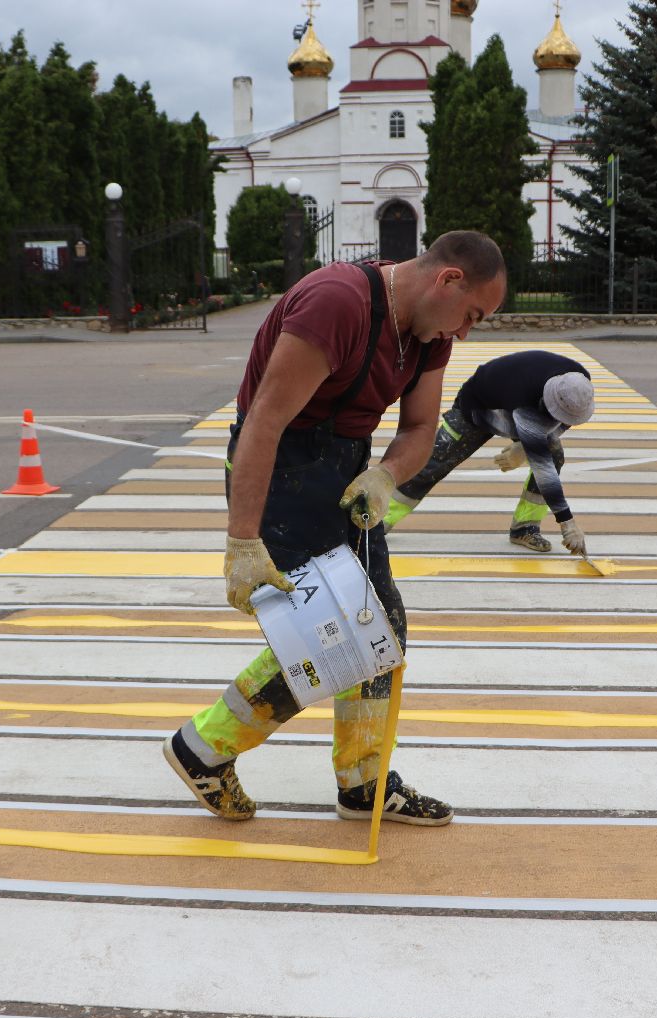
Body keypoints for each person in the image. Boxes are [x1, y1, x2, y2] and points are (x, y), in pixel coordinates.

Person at [162, 231, 508, 828]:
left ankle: (363, 783)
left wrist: (385, 475)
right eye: (472, 315)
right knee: (326, 639)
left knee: (378, 626)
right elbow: (264, 421)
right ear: (448, 280)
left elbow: (420, 428)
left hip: (345, 471)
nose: (466, 333)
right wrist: (243, 539)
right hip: (278, 471)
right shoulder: (339, 302)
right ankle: (204, 750)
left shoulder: (427, 337)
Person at [382, 349, 595, 555]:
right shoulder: (522, 394)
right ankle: (378, 519)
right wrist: (567, 522)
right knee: (431, 463)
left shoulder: (578, 386)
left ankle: (525, 527)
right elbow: (543, 470)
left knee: (554, 456)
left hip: (526, 407)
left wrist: (524, 447)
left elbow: (563, 420)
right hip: (477, 407)